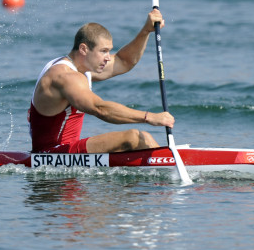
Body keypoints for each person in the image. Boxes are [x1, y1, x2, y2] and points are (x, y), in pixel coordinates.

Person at [28, 9, 175, 154]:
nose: (108, 57)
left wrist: (145, 31)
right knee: (136, 138)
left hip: (68, 152)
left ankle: (165, 161)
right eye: (103, 51)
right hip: (50, 153)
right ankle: (169, 164)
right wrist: (149, 117)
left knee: (141, 140)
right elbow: (100, 109)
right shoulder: (65, 76)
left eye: (109, 51)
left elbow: (124, 61)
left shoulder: (82, 68)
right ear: (84, 49)